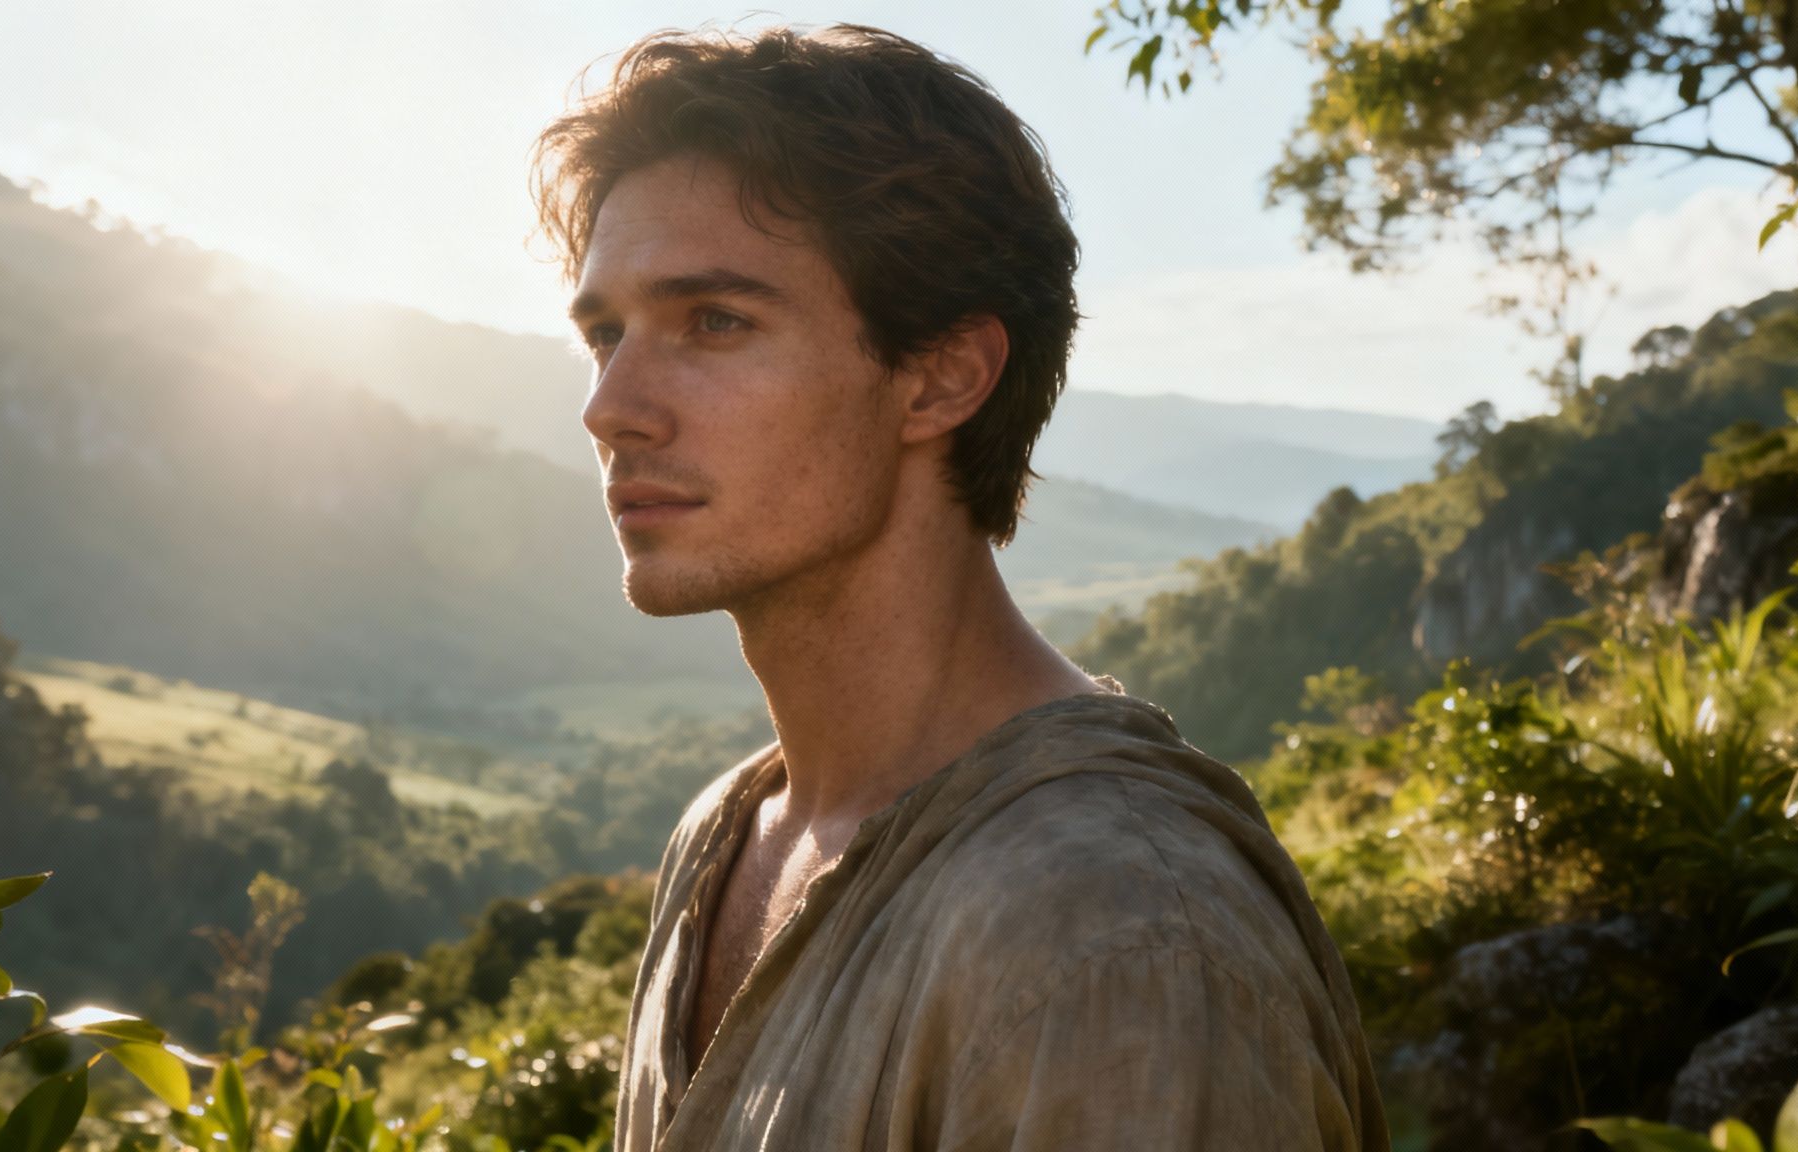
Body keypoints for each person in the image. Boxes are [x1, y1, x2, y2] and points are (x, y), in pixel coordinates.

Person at [532, 24, 1389, 1151]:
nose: (611, 406)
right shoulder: (726, 836)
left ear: (941, 376)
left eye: (715, 321)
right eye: (604, 333)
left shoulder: (1115, 928)